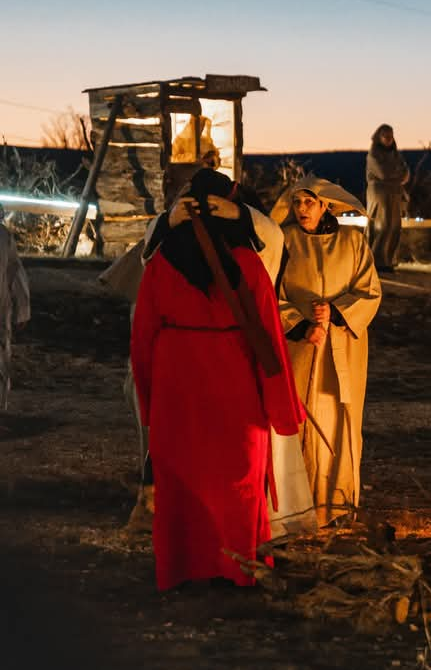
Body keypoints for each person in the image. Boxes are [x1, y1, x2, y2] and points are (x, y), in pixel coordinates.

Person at [130, 169, 304, 590]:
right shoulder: (248, 262)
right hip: (233, 373)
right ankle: (237, 566)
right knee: (236, 476)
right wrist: (282, 406)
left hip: (176, 379)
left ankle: (182, 564)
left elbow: (142, 336)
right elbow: (268, 336)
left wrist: (148, 398)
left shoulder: (162, 264)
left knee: (183, 477)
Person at [273, 176, 382, 527]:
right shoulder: (284, 242)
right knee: (299, 420)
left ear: (325, 206)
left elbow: (370, 291)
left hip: (343, 349)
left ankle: (337, 505)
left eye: (309, 202)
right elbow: (270, 293)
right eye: (297, 202)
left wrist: (336, 312)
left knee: (339, 420)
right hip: (300, 349)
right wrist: (300, 325)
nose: (302, 209)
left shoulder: (352, 242)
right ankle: (297, 506)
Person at [365, 124, 410, 273]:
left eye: (391, 135)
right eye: (385, 136)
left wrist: (397, 176)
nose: (389, 139)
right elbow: (383, 173)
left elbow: (405, 172)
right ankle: (377, 261)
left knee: (394, 226)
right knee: (382, 225)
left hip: (395, 193)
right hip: (379, 193)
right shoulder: (373, 155)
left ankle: (388, 260)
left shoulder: (396, 155)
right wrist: (397, 176)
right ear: (379, 137)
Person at [0, 205, 30, 411]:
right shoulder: (4, 237)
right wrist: (22, 310)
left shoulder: (3, 238)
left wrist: (22, 309)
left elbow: (14, 271)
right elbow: (15, 271)